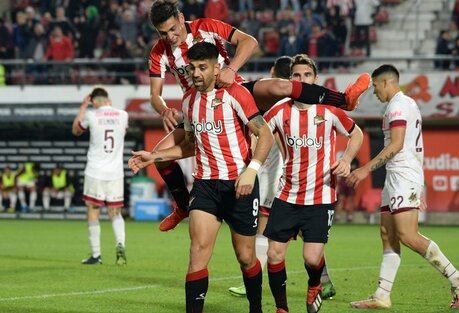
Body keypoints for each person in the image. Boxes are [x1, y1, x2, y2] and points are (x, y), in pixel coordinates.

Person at [147, 0, 370, 233]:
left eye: (173, 29)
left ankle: (344, 100)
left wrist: (231, 69)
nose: (170, 36)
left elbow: (249, 41)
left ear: (181, 18)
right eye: (163, 33)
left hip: (236, 95)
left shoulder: (206, 26)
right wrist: (164, 110)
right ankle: (183, 206)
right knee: (159, 157)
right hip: (201, 110)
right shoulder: (159, 52)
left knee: (282, 87)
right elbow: (155, 95)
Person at [129, 42, 274, 313]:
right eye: (192, 67)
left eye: (202, 67)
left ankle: (256, 308)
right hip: (206, 185)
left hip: (239, 185)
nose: (195, 73)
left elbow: (264, 134)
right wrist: (154, 156)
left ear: (217, 68)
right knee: (197, 253)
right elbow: (189, 145)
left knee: (245, 257)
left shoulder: (237, 94)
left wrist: (251, 171)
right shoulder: (188, 102)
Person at [347, 64, 459, 309]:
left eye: (374, 86)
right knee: (387, 234)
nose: (373, 92)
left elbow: (396, 144)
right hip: (396, 176)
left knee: (407, 235)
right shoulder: (403, 104)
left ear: (385, 82)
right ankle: (382, 295)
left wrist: (364, 169)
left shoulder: (398, 106)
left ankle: (457, 277)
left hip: (404, 176)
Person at [228, 56, 338, 300]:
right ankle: (325, 280)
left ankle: (251, 282)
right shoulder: (285, 107)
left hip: (277, 174)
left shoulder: (284, 106)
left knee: (266, 226)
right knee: (306, 234)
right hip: (284, 175)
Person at [262, 54, 364, 313]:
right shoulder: (279, 110)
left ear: (315, 80)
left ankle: (314, 284)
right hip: (287, 194)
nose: (302, 80)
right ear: (291, 80)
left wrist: (347, 159)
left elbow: (357, 133)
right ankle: (282, 308)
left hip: (320, 196)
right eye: (297, 76)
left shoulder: (329, 110)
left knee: (311, 258)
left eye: (307, 76)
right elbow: (259, 134)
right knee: (274, 255)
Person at [72, 86, 129, 266]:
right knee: (115, 212)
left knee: (93, 211)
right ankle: (120, 243)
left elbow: (76, 130)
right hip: (115, 172)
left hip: (95, 171)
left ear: (93, 101)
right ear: (108, 99)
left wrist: (83, 107)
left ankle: (96, 255)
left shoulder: (91, 115)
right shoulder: (123, 115)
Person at [335, 157, 359, 223]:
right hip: (343, 181)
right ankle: (337, 216)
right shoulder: (342, 159)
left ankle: (350, 216)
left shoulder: (355, 160)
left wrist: (348, 168)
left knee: (351, 199)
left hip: (351, 181)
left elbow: (356, 169)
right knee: (340, 199)